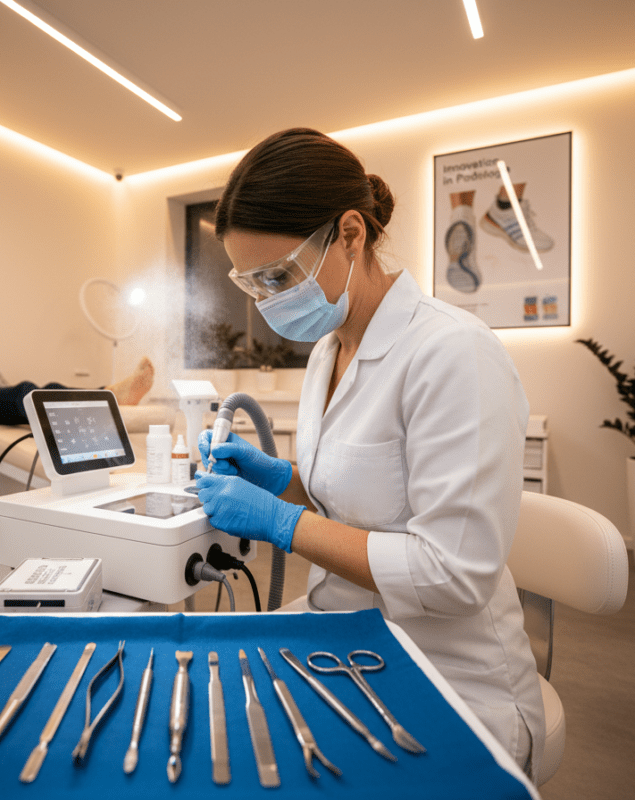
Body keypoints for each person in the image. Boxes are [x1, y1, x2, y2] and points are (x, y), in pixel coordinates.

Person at [194, 128, 545, 780]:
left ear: (350, 234)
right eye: (253, 284)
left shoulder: (452, 353)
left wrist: (282, 523)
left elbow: (453, 574)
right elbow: (355, 495)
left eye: (279, 276)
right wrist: (280, 482)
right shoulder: (328, 351)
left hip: (446, 672)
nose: (268, 301)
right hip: (344, 635)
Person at [0, 306, 154, 428]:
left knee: (49, 388)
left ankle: (110, 395)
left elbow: (4, 394)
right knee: (26, 392)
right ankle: (104, 405)